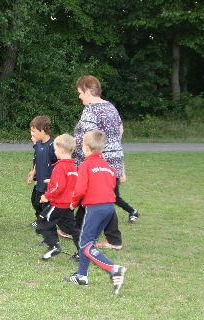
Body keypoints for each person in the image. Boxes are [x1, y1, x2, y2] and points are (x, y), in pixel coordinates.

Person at [73, 75, 140, 250]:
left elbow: (87, 138)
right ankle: (74, 228)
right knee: (101, 198)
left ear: (88, 91)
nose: (79, 96)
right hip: (114, 160)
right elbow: (120, 130)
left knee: (100, 199)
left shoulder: (91, 110)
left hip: (98, 162)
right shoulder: (110, 107)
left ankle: (113, 240)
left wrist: (77, 157)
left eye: (80, 92)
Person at [65, 130, 127, 295]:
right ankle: (81, 276)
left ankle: (113, 269)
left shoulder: (86, 164)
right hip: (109, 209)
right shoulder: (108, 167)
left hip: (95, 208)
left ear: (85, 147)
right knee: (88, 242)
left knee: (84, 245)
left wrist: (73, 202)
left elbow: (80, 189)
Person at [36, 134, 80, 261]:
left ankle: (54, 246)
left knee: (42, 221)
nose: (54, 152)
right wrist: (52, 180)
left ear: (61, 150)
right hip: (68, 205)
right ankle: (83, 251)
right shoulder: (72, 166)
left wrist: (46, 196)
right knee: (71, 229)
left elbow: (60, 187)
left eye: (55, 150)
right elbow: (70, 183)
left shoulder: (60, 166)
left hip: (58, 204)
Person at [27, 116, 57, 229]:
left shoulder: (53, 146)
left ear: (42, 130)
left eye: (34, 131)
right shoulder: (38, 144)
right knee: (35, 201)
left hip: (48, 183)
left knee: (46, 205)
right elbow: (37, 160)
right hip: (38, 181)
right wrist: (33, 172)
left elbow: (58, 165)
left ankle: (45, 223)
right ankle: (39, 219)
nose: (32, 134)